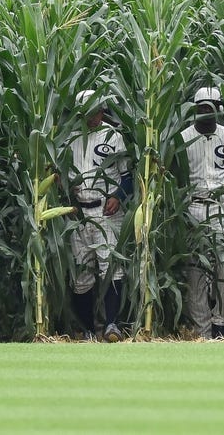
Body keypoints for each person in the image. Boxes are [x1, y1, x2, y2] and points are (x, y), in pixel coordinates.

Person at [179, 87, 224, 339]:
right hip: (193, 207)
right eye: (201, 109)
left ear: (218, 109)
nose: (205, 113)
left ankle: (221, 322)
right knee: (195, 269)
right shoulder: (183, 138)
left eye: (210, 108)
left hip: (222, 207)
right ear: (194, 110)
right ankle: (202, 329)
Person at [67, 89, 132, 342]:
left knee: (111, 269)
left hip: (107, 211)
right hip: (78, 214)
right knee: (81, 274)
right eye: (90, 111)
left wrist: (118, 195)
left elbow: (127, 177)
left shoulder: (113, 137)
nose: (96, 116)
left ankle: (112, 325)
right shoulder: (69, 139)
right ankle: (87, 330)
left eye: (99, 110)